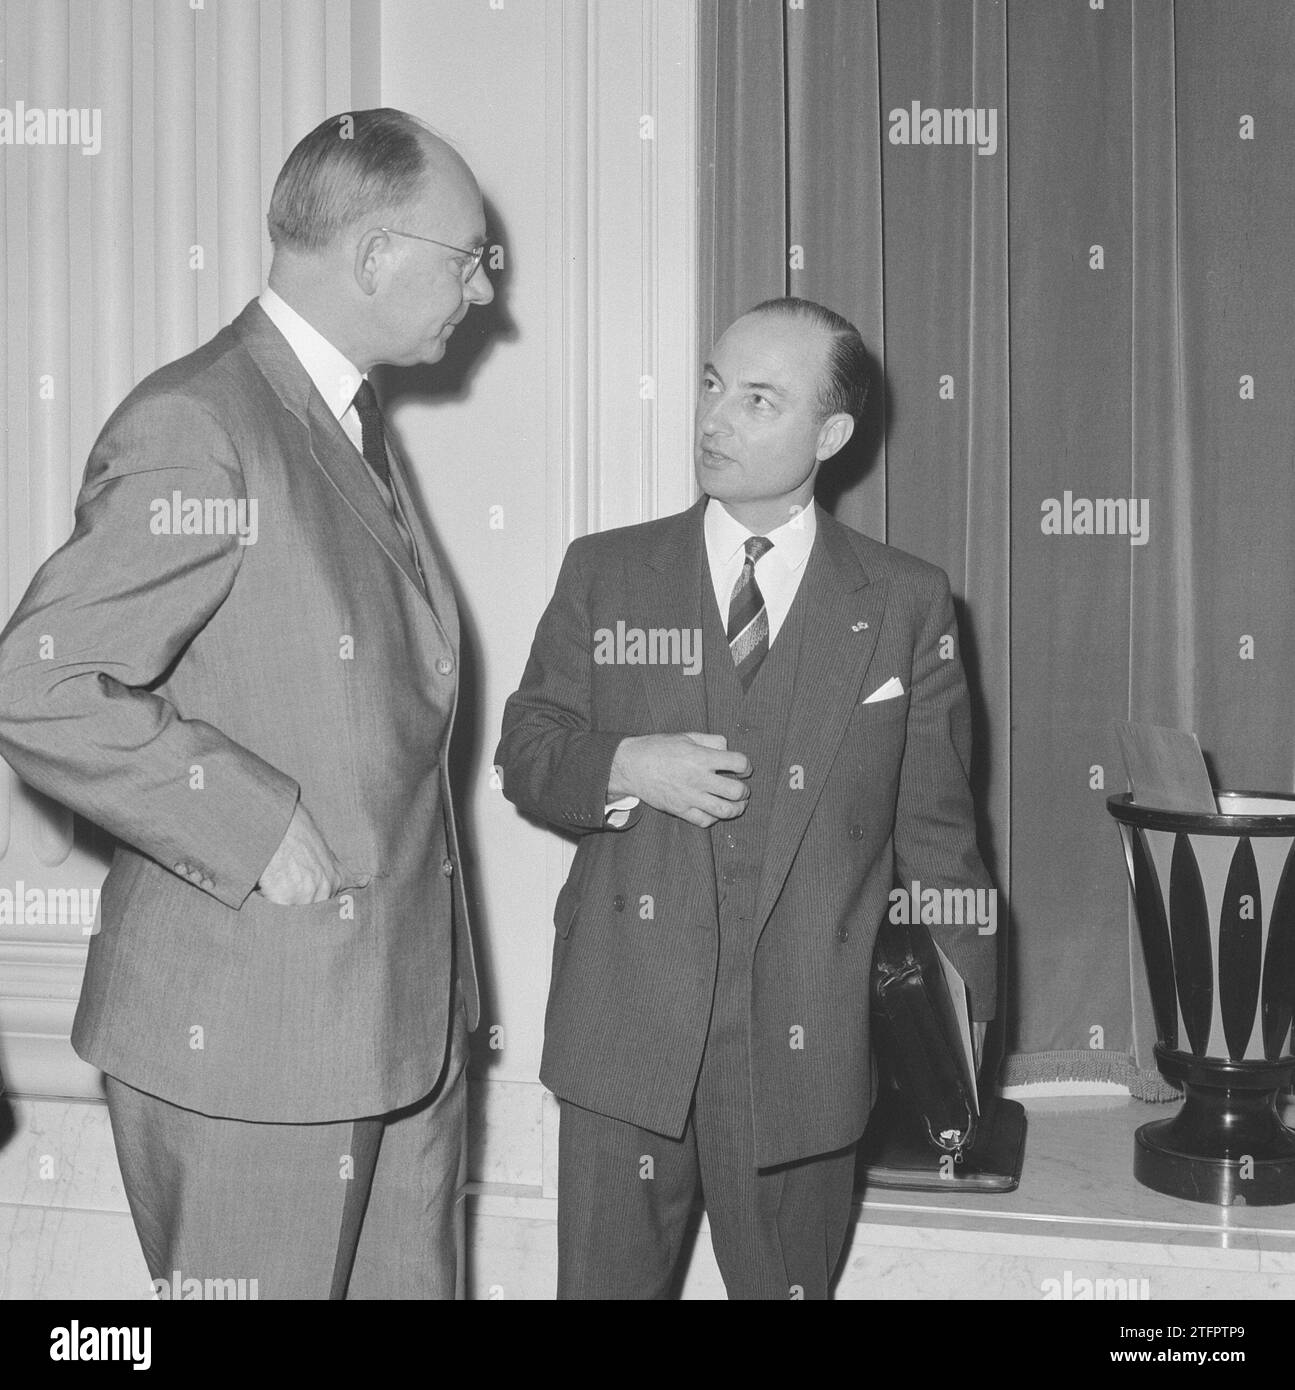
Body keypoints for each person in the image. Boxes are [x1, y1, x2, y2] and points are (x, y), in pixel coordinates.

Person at [0, 108, 493, 1299]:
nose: (483, 290)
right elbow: (39, 679)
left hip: (395, 1024)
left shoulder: (337, 417)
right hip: (256, 1041)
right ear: (375, 254)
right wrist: (248, 818)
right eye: (469, 257)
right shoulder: (204, 422)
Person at [495, 297, 997, 1300]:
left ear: (830, 435)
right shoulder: (607, 571)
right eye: (712, 385)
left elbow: (941, 850)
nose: (713, 418)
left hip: (807, 1053)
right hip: (622, 1040)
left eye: (757, 400)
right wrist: (624, 764)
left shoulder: (905, 602)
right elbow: (526, 751)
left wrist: (960, 1061)